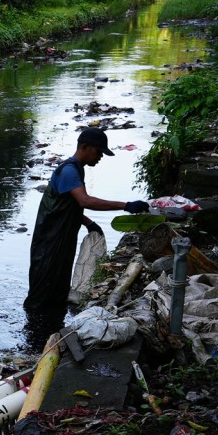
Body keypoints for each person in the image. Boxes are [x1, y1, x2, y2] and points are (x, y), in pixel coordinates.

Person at [23, 127, 149, 351]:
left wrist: (88, 223)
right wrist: (126, 206)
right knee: (42, 292)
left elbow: (68, 204)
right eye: (98, 151)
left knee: (58, 290)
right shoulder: (69, 171)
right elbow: (84, 200)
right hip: (49, 242)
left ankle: (50, 336)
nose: (100, 156)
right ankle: (33, 342)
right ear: (85, 147)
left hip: (61, 240)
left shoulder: (76, 170)